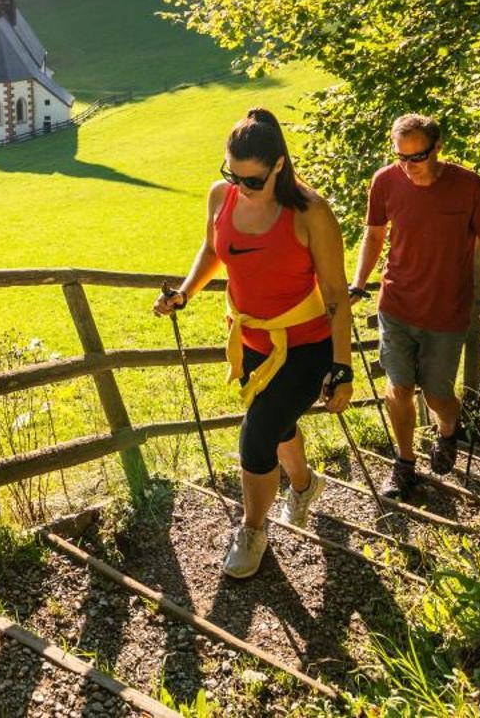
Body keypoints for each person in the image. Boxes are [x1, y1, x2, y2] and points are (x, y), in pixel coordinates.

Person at [153, 107, 357, 579]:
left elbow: (335, 296)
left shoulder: (311, 212)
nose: (241, 187)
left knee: (257, 434)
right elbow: (212, 250)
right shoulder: (220, 197)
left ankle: (252, 530)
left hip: (306, 345)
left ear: (279, 166)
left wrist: (341, 366)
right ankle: (304, 486)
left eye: (252, 180)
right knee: (278, 425)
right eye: (233, 175)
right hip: (249, 339)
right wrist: (184, 293)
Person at [350, 113, 480, 499]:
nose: (408, 167)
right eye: (401, 157)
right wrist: (357, 284)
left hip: (447, 312)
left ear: (438, 148)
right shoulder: (385, 181)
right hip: (396, 305)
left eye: (417, 158)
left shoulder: (469, 187)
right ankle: (403, 465)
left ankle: (448, 431)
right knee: (399, 387)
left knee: (438, 396)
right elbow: (373, 236)